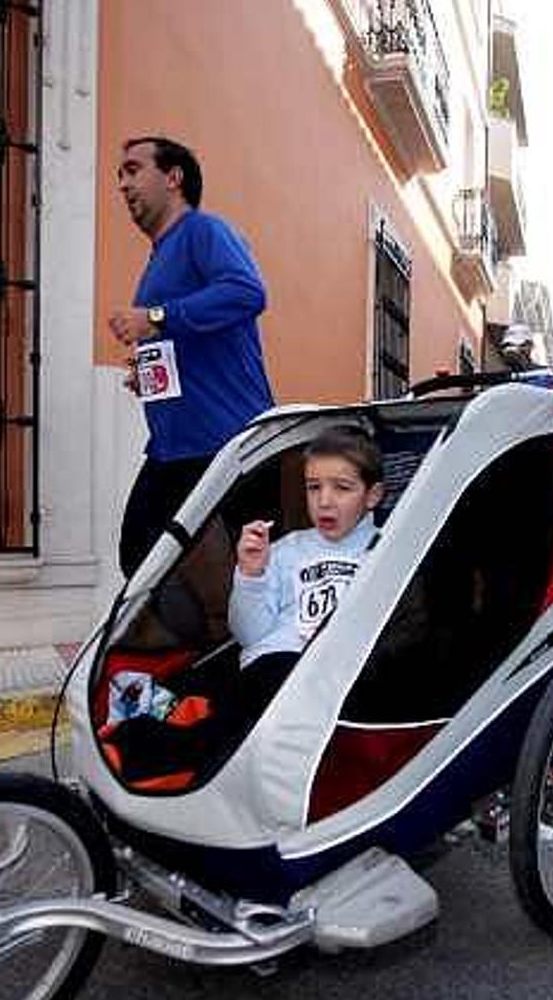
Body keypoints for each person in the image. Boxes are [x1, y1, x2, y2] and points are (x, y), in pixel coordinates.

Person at [110, 135, 274, 579]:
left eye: (133, 170)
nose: (122, 184)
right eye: (119, 175)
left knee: (254, 572)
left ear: (173, 177)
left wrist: (156, 317)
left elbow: (247, 292)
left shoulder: (205, 231)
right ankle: (211, 642)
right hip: (173, 449)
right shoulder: (157, 260)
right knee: (140, 561)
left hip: (228, 445)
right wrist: (147, 372)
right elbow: (183, 336)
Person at [228, 426, 385, 714]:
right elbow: (249, 635)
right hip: (275, 669)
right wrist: (251, 575)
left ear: (372, 496)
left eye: (342, 488)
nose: (324, 501)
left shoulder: (386, 549)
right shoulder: (285, 550)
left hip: (342, 677)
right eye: (314, 487)